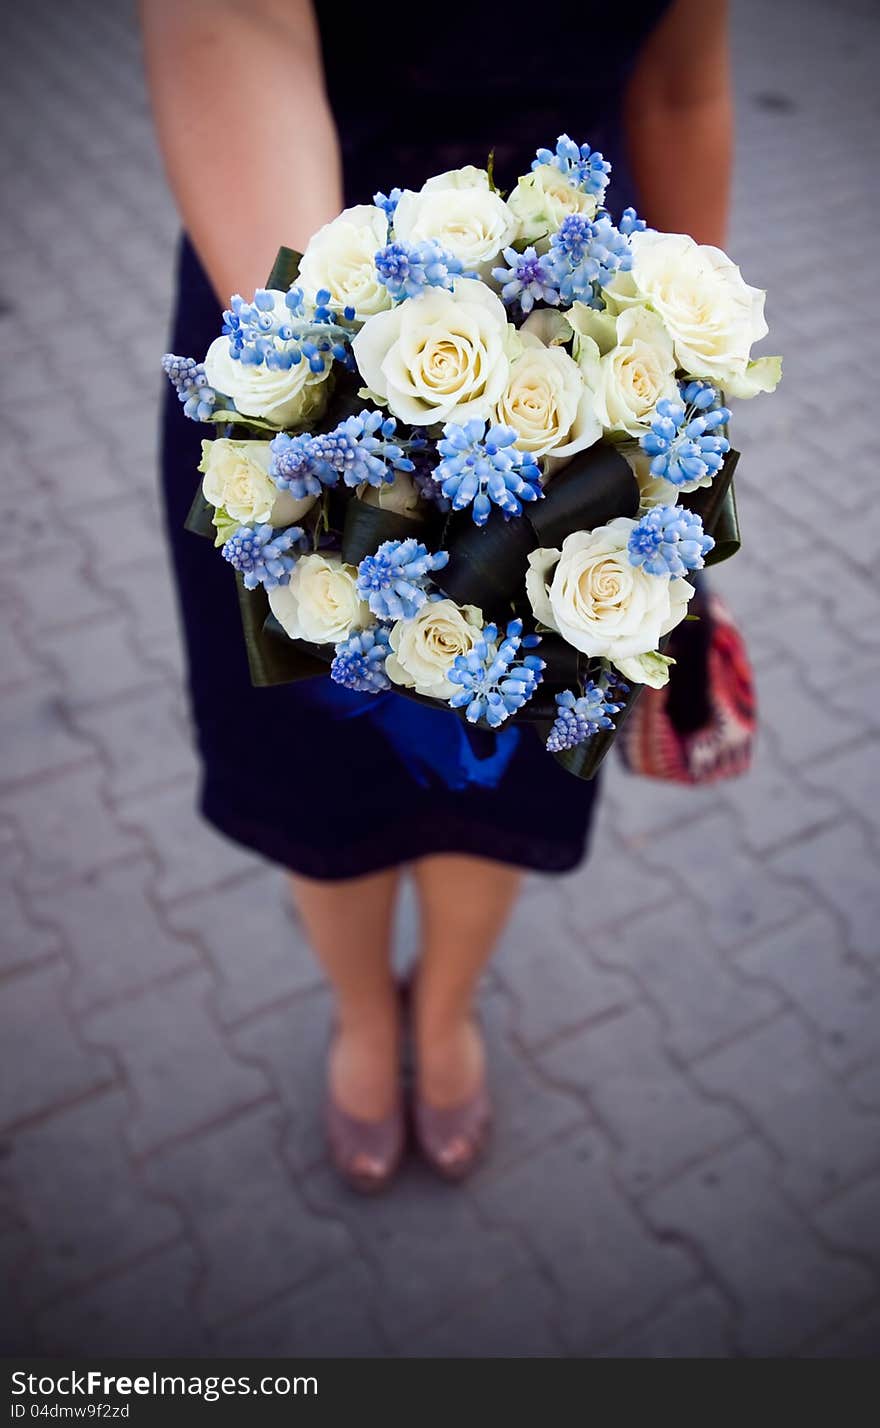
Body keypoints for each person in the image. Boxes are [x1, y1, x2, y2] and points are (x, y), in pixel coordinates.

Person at [141, 0, 732, 1191]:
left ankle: (446, 1008)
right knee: (318, 758)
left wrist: (680, 384)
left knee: (508, 748)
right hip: (293, 306)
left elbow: (679, 87)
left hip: (576, 372)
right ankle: (364, 1015)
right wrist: (351, 426)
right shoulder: (315, 366)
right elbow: (232, 30)